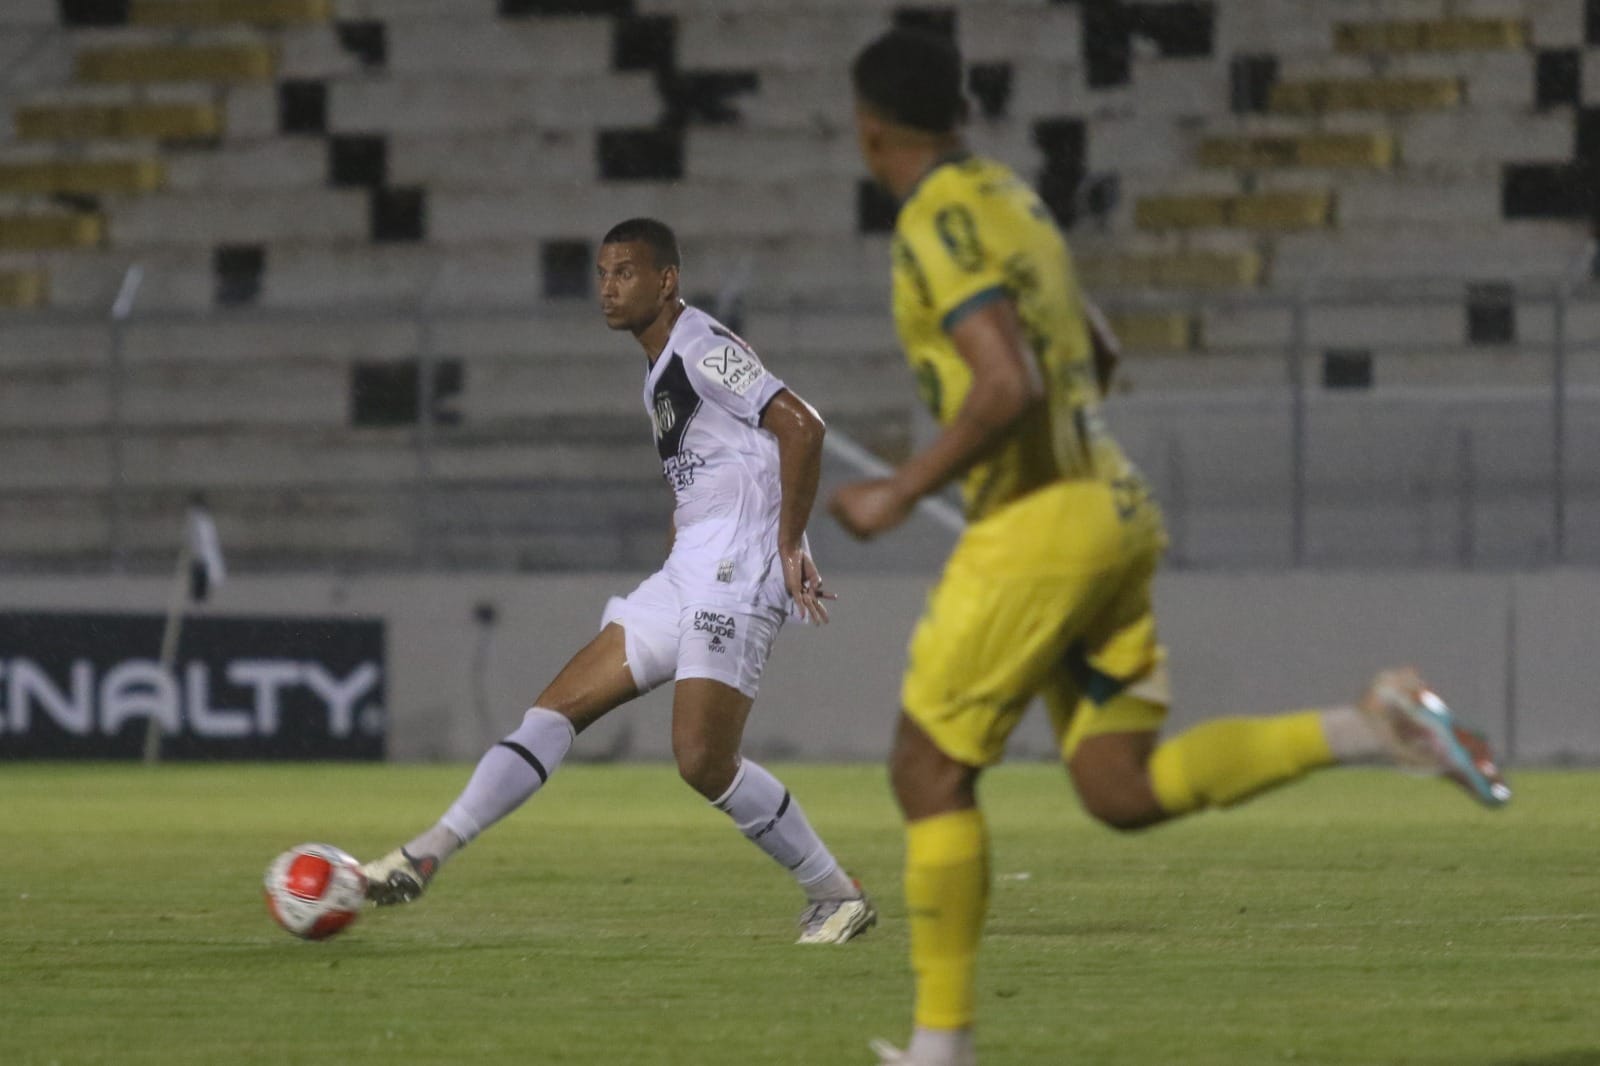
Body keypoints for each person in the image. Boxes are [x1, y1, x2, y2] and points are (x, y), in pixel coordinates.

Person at [828, 29, 1510, 1066]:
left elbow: (1003, 382)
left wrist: (897, 490)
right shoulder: (1015, 198)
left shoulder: (932, 219)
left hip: (1040, 523)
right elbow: (1096, 351)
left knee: (926, 769)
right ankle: (1373, 728)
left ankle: (940, 1052)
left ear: (870, 127)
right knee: (1117, 788)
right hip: (1113, 503)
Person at [361, 217, 877, 945]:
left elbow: (802, 425)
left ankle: (835, 893)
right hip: (690, 565)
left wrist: (787, 542)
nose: (608, 287)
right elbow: (720, 464)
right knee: (554, 710)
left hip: (736, 569)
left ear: (666, 280)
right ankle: (426, 854)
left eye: (625, 272)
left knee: (702, 761)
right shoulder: (659, 363)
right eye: (602, 273)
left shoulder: (701, 346)